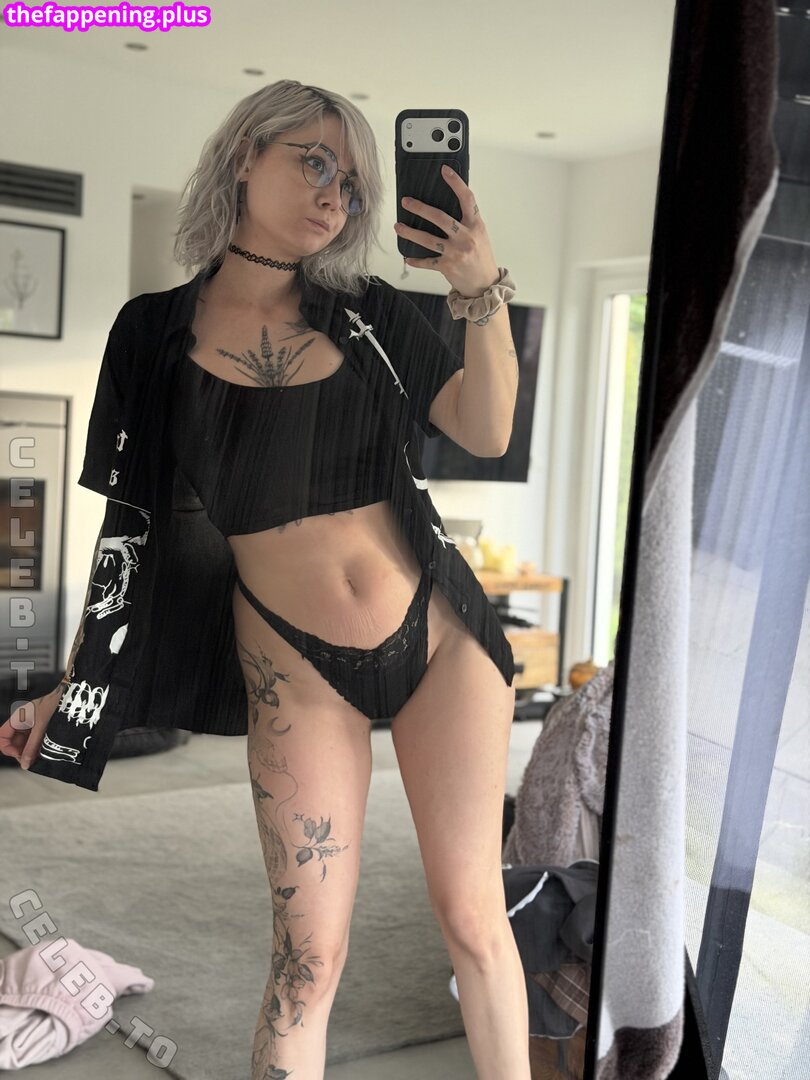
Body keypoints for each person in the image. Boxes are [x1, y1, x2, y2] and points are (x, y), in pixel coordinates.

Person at [0, 80, 529, 1079]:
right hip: (294, 665)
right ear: (247, 155)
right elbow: (130, 529)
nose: (336, 194)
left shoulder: (370, 312)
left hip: (440, 636)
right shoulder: (153, 333)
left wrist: (479, 288)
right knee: (306, 960)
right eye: (314, 161)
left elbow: (487, 430)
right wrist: (74, 688)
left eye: (353, 182)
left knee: (473, 919)